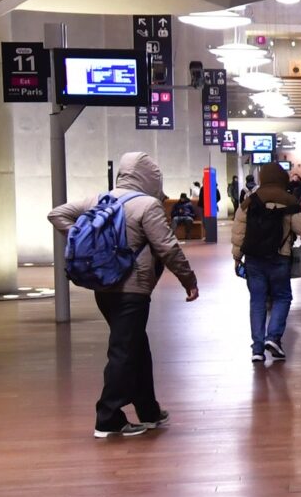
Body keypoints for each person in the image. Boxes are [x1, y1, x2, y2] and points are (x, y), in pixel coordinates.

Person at [50, 151, 200, 439]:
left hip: (103, 287)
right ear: (151, 177)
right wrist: (188, 279)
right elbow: (167, 247)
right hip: (133, 289)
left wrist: (87, 242)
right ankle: (108, 417)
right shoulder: (147, 205)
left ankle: (149, 411)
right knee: (123, 351)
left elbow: (57, 214)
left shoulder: (99, 200)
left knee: (136, 347)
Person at [232, 162, 301, 366]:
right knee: (282, 297)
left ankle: (257, 349)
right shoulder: (288, 200)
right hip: (279, 257)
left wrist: (237, 256)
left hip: (254, 259)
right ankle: (273, 338)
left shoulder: (249, 201)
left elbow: (239, 232)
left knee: (257, 301)